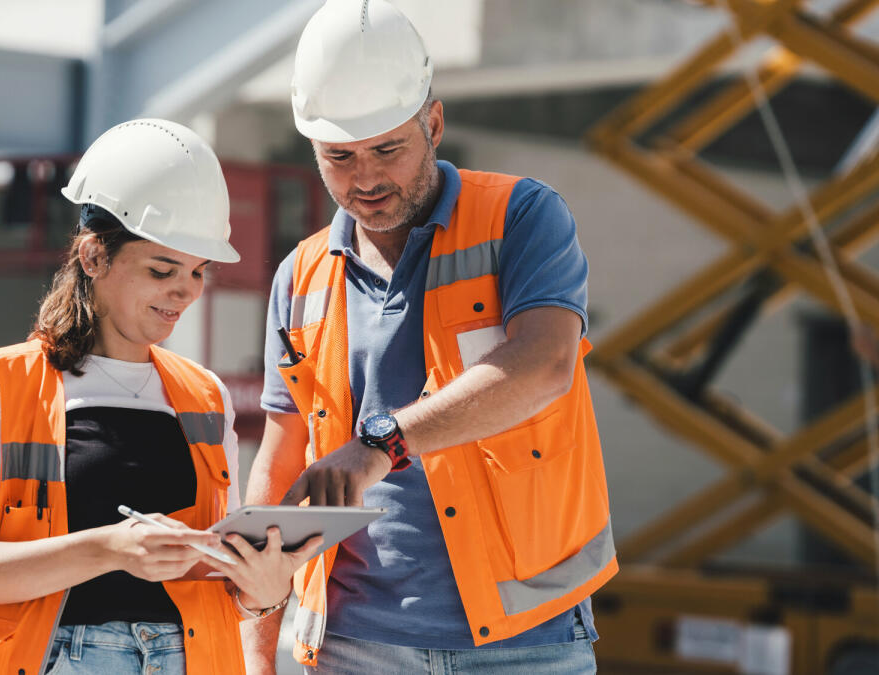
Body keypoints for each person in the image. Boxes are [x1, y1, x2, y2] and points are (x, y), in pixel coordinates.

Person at [241, 2, 617, 673]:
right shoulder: (298, 278)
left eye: (388, 148)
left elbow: (546, 363)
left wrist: (379, 446)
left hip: (527, 640)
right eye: (339, 156)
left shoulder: (522, 218)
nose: (365, 179)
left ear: (434, 123)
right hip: (351, 646)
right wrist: (256, 652)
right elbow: (279, 458)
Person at [0, 119, 321, 675]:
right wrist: (109, 549)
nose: (185, 291)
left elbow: (216, 584)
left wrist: (261, 589)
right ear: (94, 257)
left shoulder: (205, 397)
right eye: (162, 269)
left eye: (198, 271)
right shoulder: (1, 386)